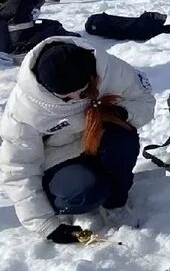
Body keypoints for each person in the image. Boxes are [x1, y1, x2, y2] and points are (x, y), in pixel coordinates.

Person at [0, 38, 155, 242]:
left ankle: (115, 202)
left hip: (101, 141)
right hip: (59, 157)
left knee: (122, 139)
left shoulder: (110, 69)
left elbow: (144, 101)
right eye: (66, 98)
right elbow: (18, 167)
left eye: (83, 92)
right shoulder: (25, 109)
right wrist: (45, 225)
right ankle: (76, 191)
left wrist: (122, 113)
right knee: (82, 194)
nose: (76, 99)